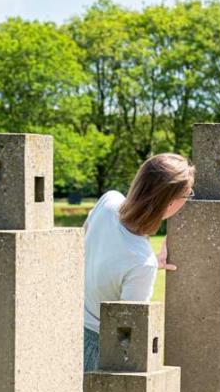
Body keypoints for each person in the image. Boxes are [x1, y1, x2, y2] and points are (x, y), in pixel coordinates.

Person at [83, 153, 194, 371]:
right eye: (188, 194)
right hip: (98, 351)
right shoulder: (142, 264)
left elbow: (89, 245)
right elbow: (128, 332)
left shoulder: (108, 200)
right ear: (170, 203)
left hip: (68, 332)